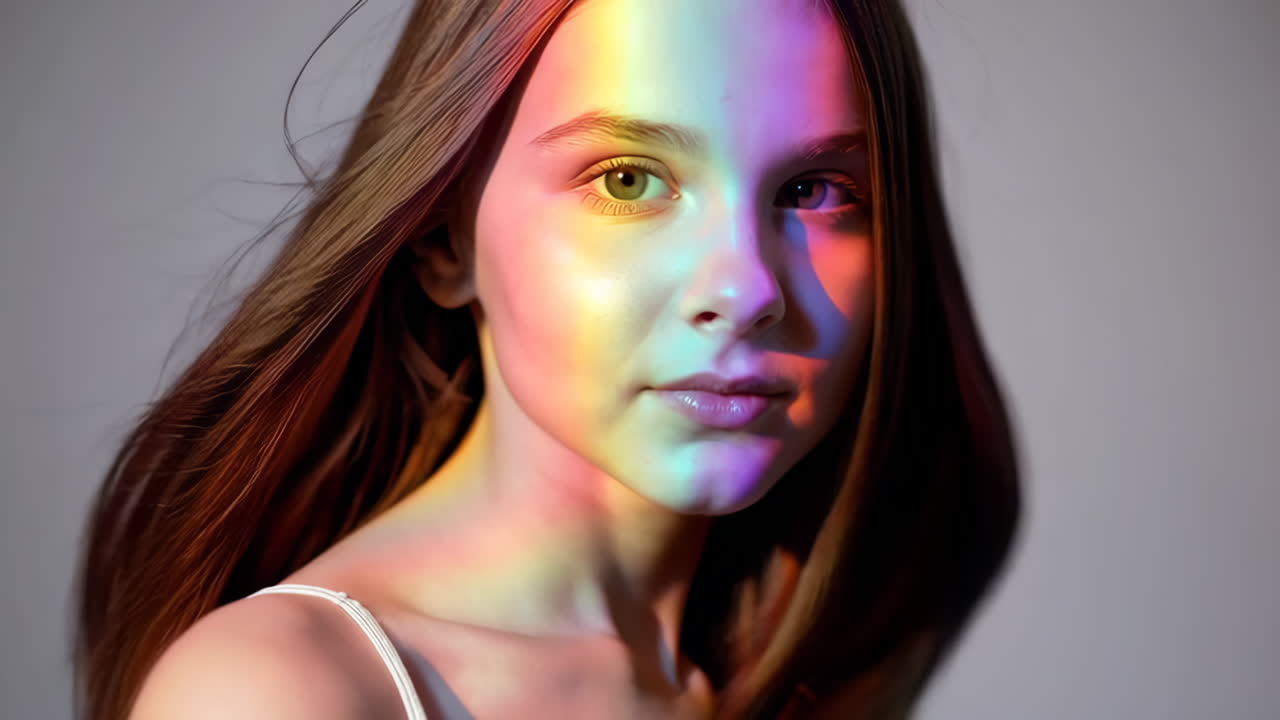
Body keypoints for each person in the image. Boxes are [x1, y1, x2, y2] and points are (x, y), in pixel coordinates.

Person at [75, 0, 1020, 717]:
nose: (746, 288)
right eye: (627, 180)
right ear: (443, 244)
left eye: (817, 191)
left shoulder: (779, 674)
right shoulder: (281, 691)